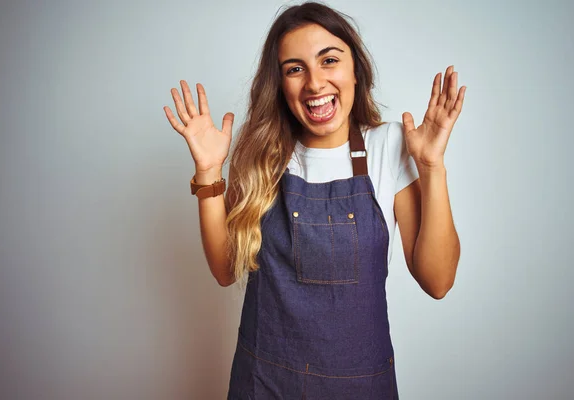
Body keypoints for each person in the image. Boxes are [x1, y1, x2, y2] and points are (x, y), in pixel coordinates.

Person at [164, 2, 465, 398]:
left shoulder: (389, 145)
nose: (314, 83)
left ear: (355, 69)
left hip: (359, 386)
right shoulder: (261, 156)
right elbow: (224, 270)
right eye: (295, 68)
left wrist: (431, 166)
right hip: (265, 382)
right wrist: (208, 172)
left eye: (329, 60)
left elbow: (438, 281)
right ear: (281, 84)